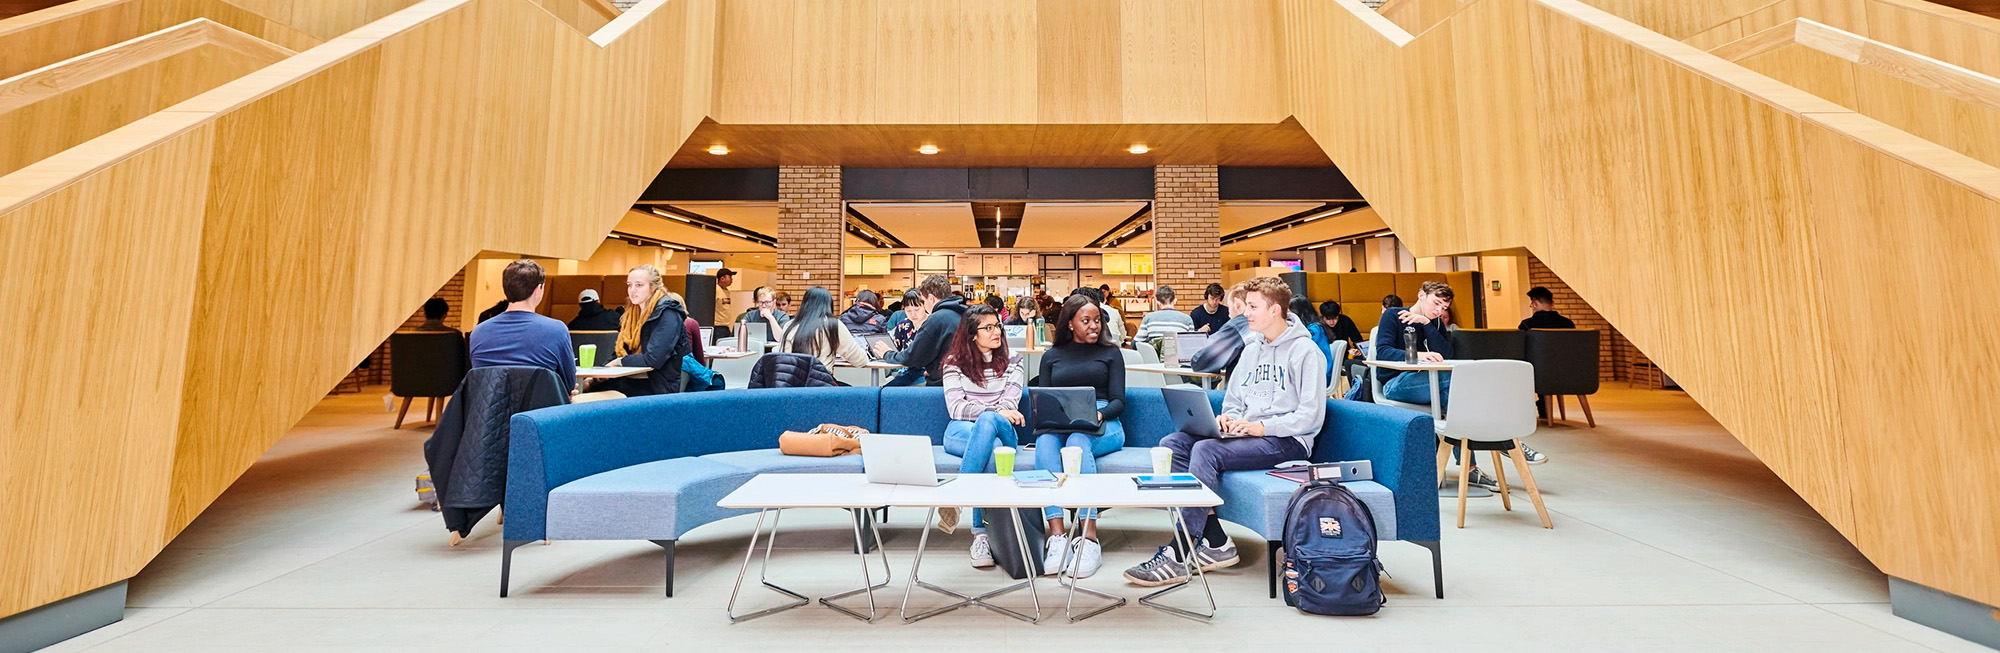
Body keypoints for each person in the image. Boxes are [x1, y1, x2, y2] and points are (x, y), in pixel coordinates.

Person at [1123, 277, 1326, 586]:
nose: (1246, 313)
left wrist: (1262, 427)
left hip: (1287, 440)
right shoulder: (1251, 349)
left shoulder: (1306, 352)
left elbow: (1310, 416)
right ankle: (1216, 541)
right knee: (1173, 444)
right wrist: (1228, 419)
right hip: (1249, 434)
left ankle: (1180, 550)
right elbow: (1234, 400)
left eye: (1253, 307)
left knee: (1205, 450)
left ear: (1275, 310)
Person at [1034, 293, 1128, 578]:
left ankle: (1088, 538)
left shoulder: (1111, 353)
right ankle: (1058, 536)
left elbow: (1119, 401)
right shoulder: (1051, 356)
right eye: (1086, 321)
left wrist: (1098, 414)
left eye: (1097, 320)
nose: (1094, 326)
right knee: (1045, 442)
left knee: (1077, 442)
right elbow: (1044, 399)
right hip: (1062, 422)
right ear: (1070, 324)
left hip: (1105, 421)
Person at [937, 304, 1026, 568]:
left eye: (997, 325)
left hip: (1004, 432)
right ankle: (981, 536)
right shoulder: (954, 363)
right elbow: (956, 408)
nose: (996, 331)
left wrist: (990, 413)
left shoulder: (1014, 360)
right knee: (990, 443)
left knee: (989, 424)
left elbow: (1011, 404)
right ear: (972, 334)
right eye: (988, 328)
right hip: (960, 430)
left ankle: (957, 500)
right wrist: (994, 412)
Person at [468, 260, 576, 395]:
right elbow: (569, 384)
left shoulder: (478, 332)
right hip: (541, 408)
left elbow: (478, 384)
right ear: (538, 289)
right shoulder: (557, 330)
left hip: (489, 408)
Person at [590, 264, 690, 398]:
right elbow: (621, 352)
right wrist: (602, 371)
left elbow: (654, 358)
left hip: (655, 386)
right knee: (586, 390)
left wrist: (618, 363)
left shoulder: (668, 313)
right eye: (629, 285)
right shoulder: (631, 313)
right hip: (627, 381)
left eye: (639, 285)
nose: (632, 290)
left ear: (653, 287)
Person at [878, 275, 966, 387]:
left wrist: (887, 354)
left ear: (931, 298)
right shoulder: (964, 314)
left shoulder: (936, 320)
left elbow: (913, 357)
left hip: (942, 385)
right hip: (964, 381)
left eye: (923, 301)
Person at [779, 286, 871, 371]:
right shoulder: (833, 325)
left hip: (791, 381)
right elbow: (860, 360)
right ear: (828, 305)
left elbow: (784, 359)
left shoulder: (790, 325)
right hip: (820, 381)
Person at [1189, 282, 1253, 375]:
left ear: (1237, 304)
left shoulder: (1236, 326)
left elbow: (1200, 362)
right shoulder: (1260, 323)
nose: (1229, 314)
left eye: (1229, 306)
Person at [1292, 296, 1336, 384]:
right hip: (1314, 373)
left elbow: (1302, 351)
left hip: (1320, 376)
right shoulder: (1314, 326)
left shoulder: (1314, 329)